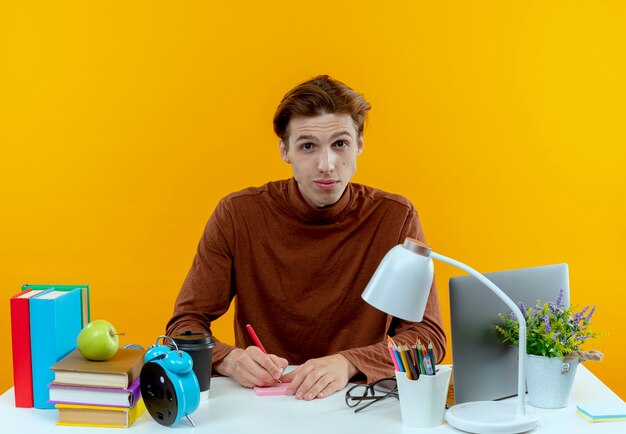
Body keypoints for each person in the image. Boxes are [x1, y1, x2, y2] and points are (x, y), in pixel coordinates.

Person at [166, 75, 446, 401]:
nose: (326, 165)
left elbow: (427, 338)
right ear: (285, 150)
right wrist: (230, 359)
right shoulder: (238, 214)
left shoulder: (395, 217)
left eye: (340, 144)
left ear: (359, 146)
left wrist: (349, 363)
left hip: (359, 400)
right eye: (308, 146)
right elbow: (184, 326)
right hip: (265, 402)